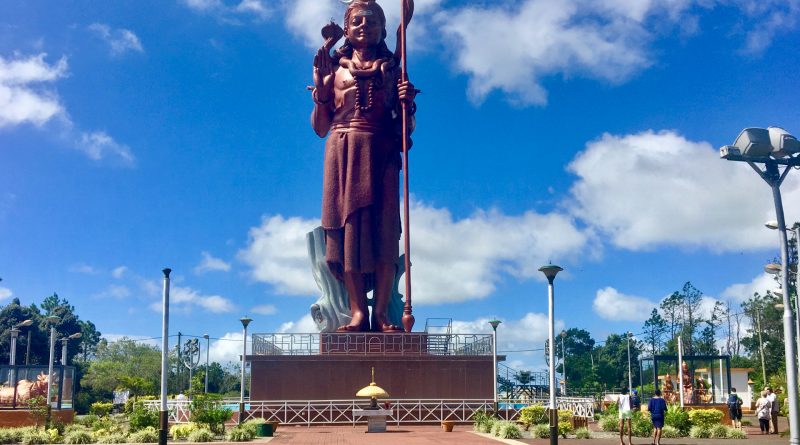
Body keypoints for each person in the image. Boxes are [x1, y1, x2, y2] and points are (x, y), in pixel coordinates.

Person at [311, 0, 417, 332]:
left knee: (385, 233)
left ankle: (382, 313)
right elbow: (319, 127)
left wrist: (407, 105)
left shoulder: (392, 69)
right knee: (347, 234)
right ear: (346, 29)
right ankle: (358, 312)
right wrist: (321, 93)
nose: (363, 26)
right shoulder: (334, 69)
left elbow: (404, 129)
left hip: (381, 150)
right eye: (356, 21)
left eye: (371, 22)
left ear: (383, 31)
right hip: (342, 150)